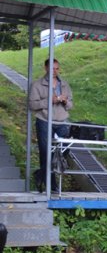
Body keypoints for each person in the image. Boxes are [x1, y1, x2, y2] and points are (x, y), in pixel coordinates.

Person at [29, 58, 73, 192]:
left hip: (61, 122)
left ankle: (41, 174)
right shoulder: (37, 85)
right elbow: (32, 105)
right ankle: (51, 185)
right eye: (52, 68)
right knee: (45, 152)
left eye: (57, 68)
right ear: (46, 68)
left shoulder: (64, 84)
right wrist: (50, 101)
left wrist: (65, 102)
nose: (55, 71)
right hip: (44, 121)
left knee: (65, 149)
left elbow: (71, 105)